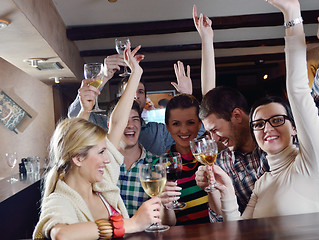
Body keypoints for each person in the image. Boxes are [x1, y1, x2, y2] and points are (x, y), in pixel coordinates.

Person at [196, 0, 319, 221]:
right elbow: (239, 230)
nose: (267, 128)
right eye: (259, 124)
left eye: (277, 119)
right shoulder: (262, 184)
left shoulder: (311, 161)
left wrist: (292, 14)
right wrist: (225, 192)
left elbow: (299, 92)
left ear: (295, 127)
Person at [33, 44, 163, 239]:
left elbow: (118, 122)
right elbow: (62, 234)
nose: (108, 159)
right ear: (78, 158)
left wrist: (136, 74)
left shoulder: (103, 184)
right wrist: (132, 223)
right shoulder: (60, 199)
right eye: (101, 152)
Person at [67, 58, 204, 155]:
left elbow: (199, 130)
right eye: (130, 91)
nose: (136, 96)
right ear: (120, 97)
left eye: (140, 92)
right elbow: (74, 114)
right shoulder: (104, 123)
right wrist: (103, 78)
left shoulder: (158, 132)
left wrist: (187, 97)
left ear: (145, 99)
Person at [160, 93, 210, 226]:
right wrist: (165, 204)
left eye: (190, 122)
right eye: (176, 124)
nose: (183, 130)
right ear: (168, 127)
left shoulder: (210, 157)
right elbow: (167, 225)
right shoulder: (160, 166)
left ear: (200, 124)